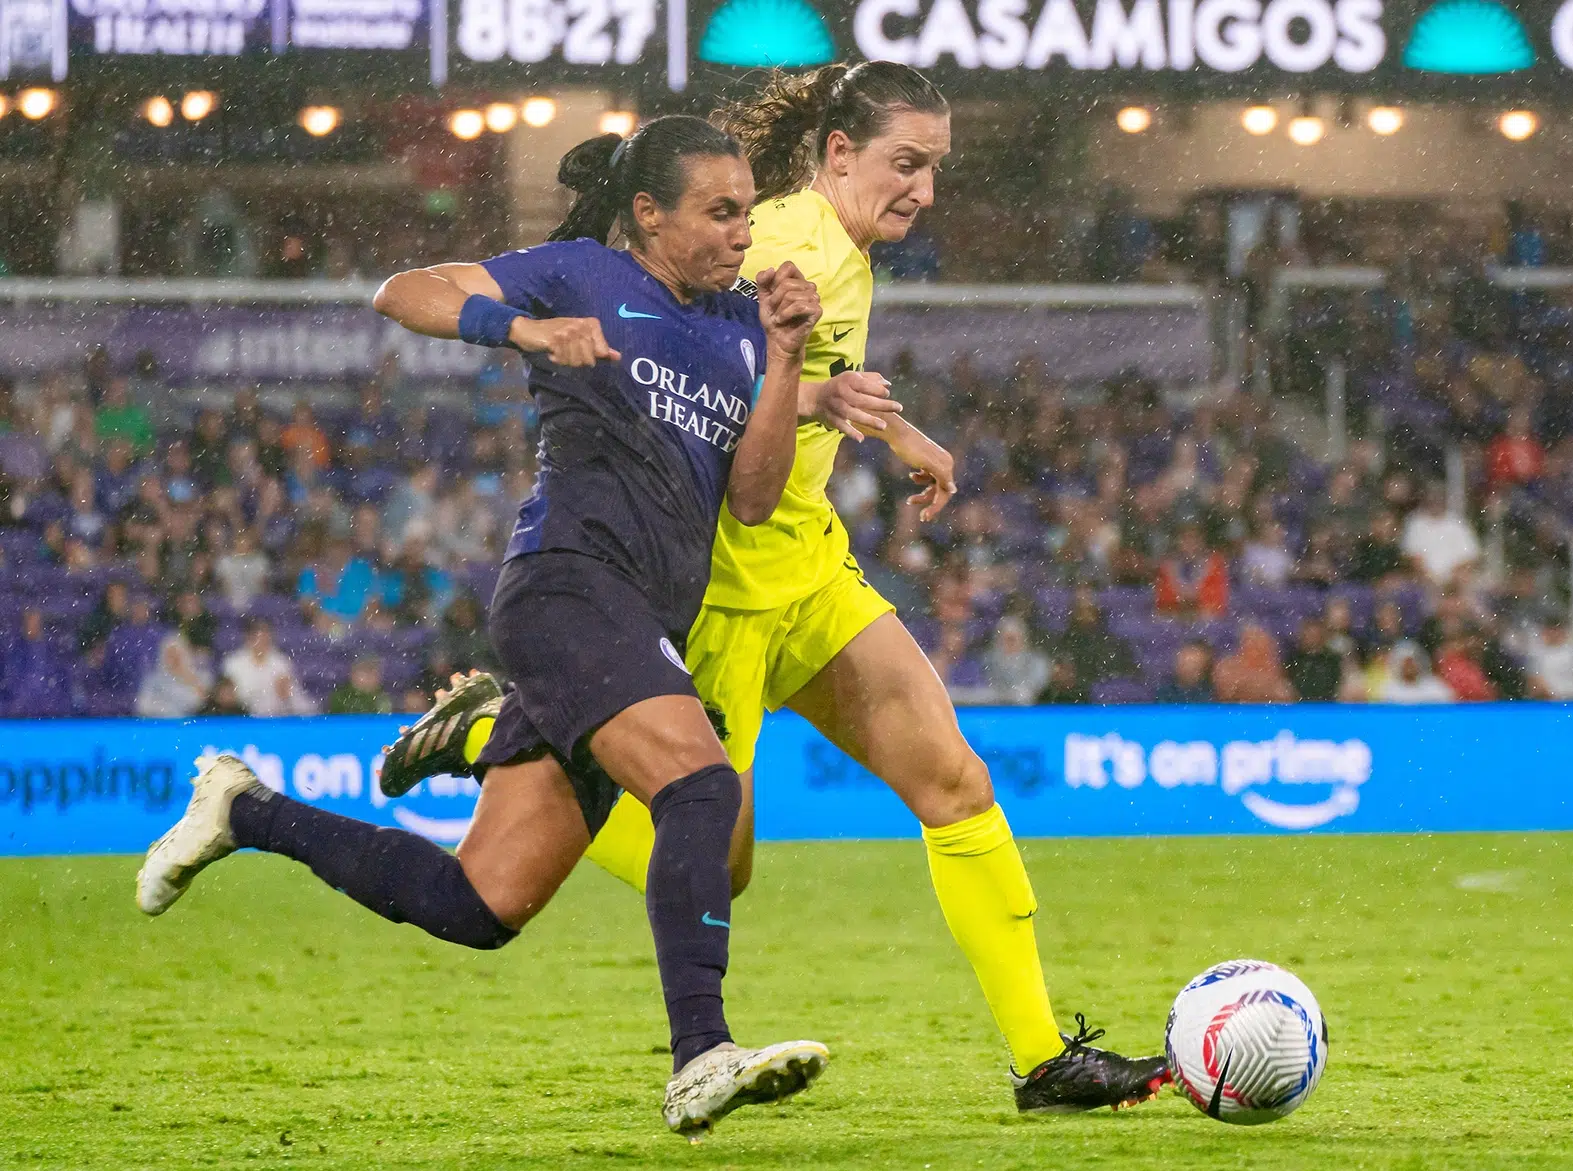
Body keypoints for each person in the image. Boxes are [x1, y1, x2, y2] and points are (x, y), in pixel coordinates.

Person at [380, 65, 1166, 1114]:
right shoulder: (775, 241)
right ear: (839, 154)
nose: (924, 190)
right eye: (906, 164)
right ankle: (495, 738)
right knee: (722, 863)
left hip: (812, 572)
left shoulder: (841, 250)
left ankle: (1041, 1059)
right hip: (723, 595)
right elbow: (685, 369)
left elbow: (801, 380)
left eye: (935, 168)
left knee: (956, 784)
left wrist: (896, 428)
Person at [138, 116, 829, 1140]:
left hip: (636, 617)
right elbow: (403, 291)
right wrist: (519, 328)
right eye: (720, 212)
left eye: (748, 211)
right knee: (700, 787)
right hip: (568, 589)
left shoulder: (736, 325)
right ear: (649, 213)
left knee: (479, 905)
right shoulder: (581, 275)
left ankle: (245, 811)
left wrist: (783, 359)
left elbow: (758, 499)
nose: (744, 233)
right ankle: (700, 1055)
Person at [220, 620, 315, 716]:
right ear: (248, 638)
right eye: (257, 637)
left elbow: (295, 697)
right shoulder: (232, 663)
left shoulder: (281, 662)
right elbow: (226, 697)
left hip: (275, 718)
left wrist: (287, 694)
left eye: (265, 637)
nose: (262, 641)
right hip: (242, 718)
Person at [1212, 624, 1296, 704]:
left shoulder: (1273, 666)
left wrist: (1249, 686)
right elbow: (1227, 690)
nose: (1256, 650)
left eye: (1260, 646)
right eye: (1252, 644)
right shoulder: (1229, 666)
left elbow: (1284, 693)